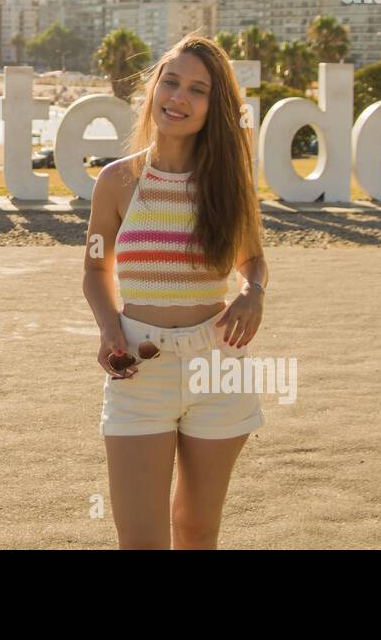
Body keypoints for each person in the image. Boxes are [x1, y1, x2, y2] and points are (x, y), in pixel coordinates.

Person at [83, 34, 269, 550]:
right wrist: (109, 329)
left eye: (198, 90)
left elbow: (252, 260)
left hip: (218, 365)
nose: (179, 98)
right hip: (139, 368)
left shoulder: (230, 184)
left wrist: (252, 292)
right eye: (170, 82)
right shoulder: (117, 181)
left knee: (196, 529)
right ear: (153, 89)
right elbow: (96, 271)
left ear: (215, 107)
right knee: (141, 538)